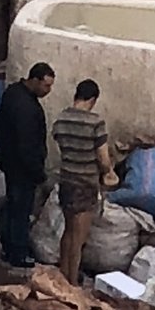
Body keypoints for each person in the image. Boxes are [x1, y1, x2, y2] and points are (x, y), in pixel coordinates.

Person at [0, 62, 53, 272]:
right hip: (22, 168)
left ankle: (8, 246)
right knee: (20, 209)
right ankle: (17, 253)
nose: (48, 91)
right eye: (46, 86)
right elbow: (27, 145)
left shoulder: (13, 93)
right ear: (35, 80)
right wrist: (38, 173)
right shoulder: (26, 108)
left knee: (13, 205)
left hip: (9, 162)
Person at [50, 77, 110, 283]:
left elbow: (59, 140)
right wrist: (108, 172)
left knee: (67, 231)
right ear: (92, 99)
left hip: (66, 180)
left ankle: (62, 273)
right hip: (85, 184)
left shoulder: (61, 119)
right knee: (79, 237)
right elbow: (103, 158)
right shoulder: (96, 123)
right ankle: (72, 282)